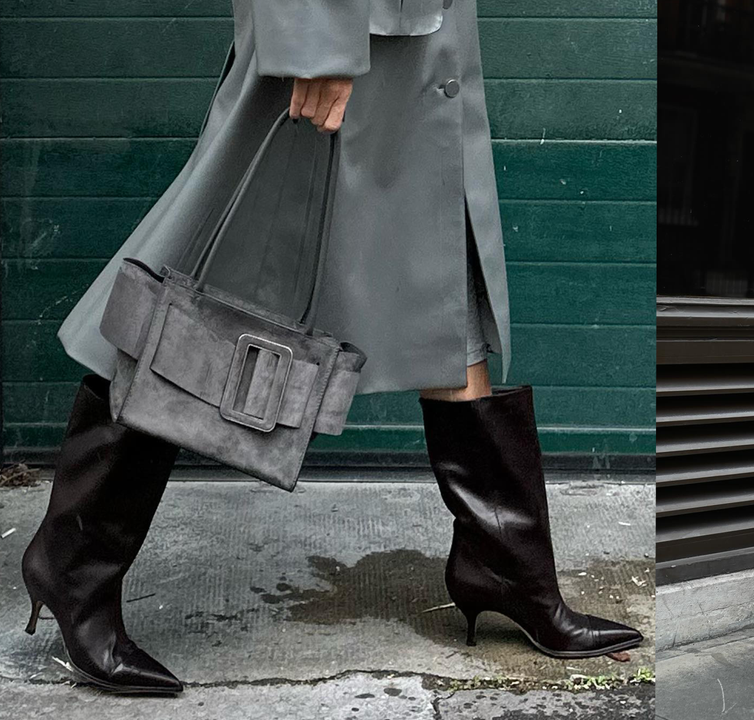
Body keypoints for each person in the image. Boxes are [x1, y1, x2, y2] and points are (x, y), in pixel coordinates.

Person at [22, 0, 642, 695]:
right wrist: (315, 40)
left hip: (416, 42)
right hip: (340, 43)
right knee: (204, 275)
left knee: (441, 272)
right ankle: (74, 558)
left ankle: (506, 566)